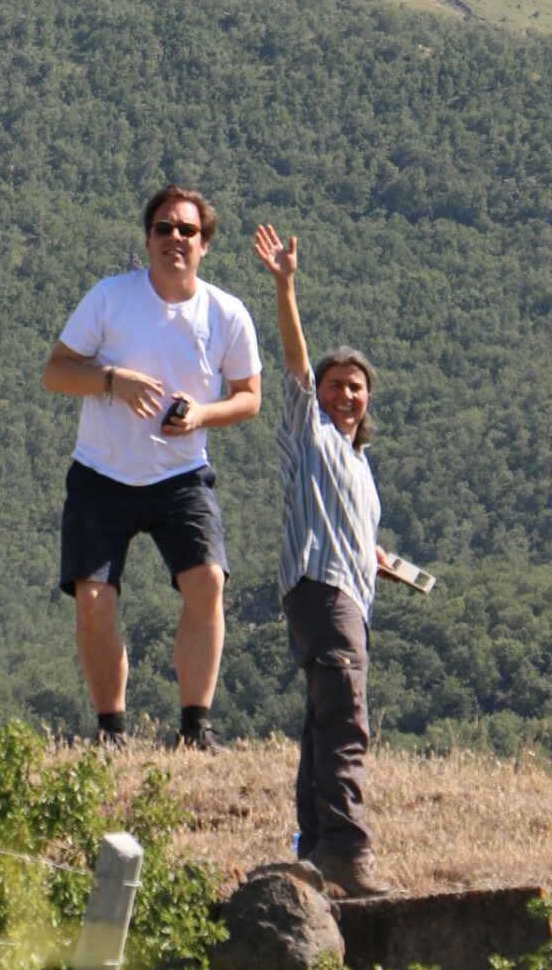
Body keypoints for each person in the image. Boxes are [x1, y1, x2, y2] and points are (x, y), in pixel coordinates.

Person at [43, 185, 262, 751]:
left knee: (207, 583)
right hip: (101, 473)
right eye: (163, 228)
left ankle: (195, 727)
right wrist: (114, 381)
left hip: (181, 476)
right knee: (93, 599)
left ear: (205, 244)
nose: (174, 239)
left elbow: (250, 396)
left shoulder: (226, 312)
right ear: (146, 239)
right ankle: (111, 730)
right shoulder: (110, 299)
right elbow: (57, 372)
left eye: (186, 230)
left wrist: (202, 417)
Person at [252, 221, 389, 897]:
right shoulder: (312, 435)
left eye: (355, 387)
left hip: (344, 592)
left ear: (368, 403)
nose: (343, 394)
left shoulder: (359, 467)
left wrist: (375, 555)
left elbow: (350, 528)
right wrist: (285, 287)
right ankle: (346, 852)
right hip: (323, 591)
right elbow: (294, 363)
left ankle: (311, 847)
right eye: (336, 385)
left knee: (319, 722)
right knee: (344, 718)